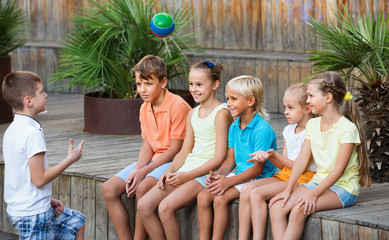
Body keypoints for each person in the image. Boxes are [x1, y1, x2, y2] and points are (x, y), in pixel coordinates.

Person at [137, 60, 233, 240]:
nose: (194, 89)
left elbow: (219, 157)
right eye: (191, 84)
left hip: (205, 174)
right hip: (186, 169)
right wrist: (169, 171)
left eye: (199, 84)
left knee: (165, 208)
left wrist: (187, 176)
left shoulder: (221, 113)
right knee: (144, 205)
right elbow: (184, 151)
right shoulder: (192, 113)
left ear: (215, 85)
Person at [268, 72, 370, 240]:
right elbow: (301, 160)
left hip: (343, 188)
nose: (307, 100)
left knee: (298, 210)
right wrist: (288, 190)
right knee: (277, 206)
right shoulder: (313, 124)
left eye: (310, 96)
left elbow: (338, 171)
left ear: (328, 97)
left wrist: (312, 194)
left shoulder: (347, 128)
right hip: (318, 182)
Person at [102, 55, 191, 240]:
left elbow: (176, 150)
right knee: (109, 188)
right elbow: (147, 146)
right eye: (139, 84)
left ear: (163, 82)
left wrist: (144, 172)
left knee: (142, 187)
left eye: (148, 84)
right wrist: (137, 169)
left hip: (175, 161)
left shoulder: (178, 107)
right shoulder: (144, 107)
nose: (142, 90)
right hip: (154, 160)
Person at [2, 71, 86, 239]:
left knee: (76, 222)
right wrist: (70, 160)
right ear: (28, 101)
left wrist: (48, 200)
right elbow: (39, 179)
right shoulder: (32, 133)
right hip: (33, 214)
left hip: (28, 208)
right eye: (41, 91)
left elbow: (23, 176)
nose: (46, 95)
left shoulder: (12, 130)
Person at [197, 75, 278, 240]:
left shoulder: (261, 129)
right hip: (241, 175)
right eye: (227, 99)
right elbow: (230, 160)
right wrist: (219, 176)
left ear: (250, 101)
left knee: (220, 200)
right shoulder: (234, 126)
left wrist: (228, 182)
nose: (228, 103)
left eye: (234, 99)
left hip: (257, 178)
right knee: (203, 196)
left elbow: (257, 168)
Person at [238, 83, 316, 240]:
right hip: (286, 175)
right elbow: (284, 165)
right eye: (284, 107)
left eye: (291, 108)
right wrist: (268, 157)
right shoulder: (288, 130)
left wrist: (274, 155)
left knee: (257, 193)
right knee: (247, 189)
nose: (285, 112)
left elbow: (300, 167)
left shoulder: (311, 132)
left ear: (307, 108)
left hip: (304, 178)